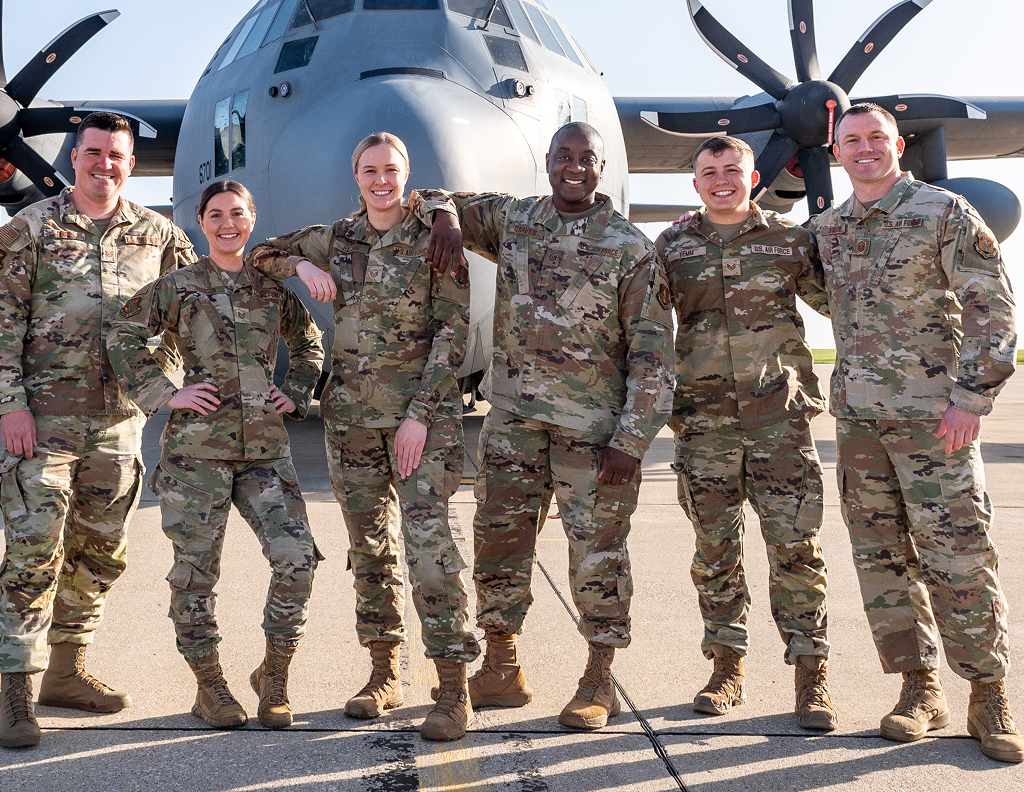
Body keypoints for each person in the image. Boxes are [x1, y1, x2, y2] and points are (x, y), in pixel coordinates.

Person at [412, 122, 675, 731]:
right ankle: (502, 666)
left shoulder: (630, 248)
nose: (575, 166)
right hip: (512, 425)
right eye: (564, 156)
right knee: (499, 545)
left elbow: (653, 355)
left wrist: (632, 441)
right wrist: (448, 218)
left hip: (593, 436)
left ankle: (598, 680)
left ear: (601, 168)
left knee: (597, 554)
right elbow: (425, 194)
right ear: (549, 162)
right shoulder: (514, 220)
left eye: (587, 158)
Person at [809, 102, 1024, 763]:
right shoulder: (827, 229)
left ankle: (989, 694)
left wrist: (972, 398)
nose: (865, 148)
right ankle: (918, 688)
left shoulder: (943, 212)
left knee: (960, 558)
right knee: (883, 564)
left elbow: (994, 307)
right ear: (835, 152)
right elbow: (792, 280)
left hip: (937, 424)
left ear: (897, 144)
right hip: (860, 425)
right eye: (852, 140)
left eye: (876, 137)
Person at [246, 132, 480, 741]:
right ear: (356, 177)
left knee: (430, 550)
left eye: (391, 170)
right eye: (370, 170)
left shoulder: (437, 234)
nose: (381, 181)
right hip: (350, 420)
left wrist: (420, 415)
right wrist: (301, 265)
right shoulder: (338, 238)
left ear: (407, 175)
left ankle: (453, 689)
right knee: (369, 553)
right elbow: (260, 254)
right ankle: (383, 673)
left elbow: (453, 333)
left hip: (418, 424)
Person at [0, 111, 197, 748]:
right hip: (43, 423)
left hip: (120, 425)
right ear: (75, 157)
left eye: (118, 156)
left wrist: (165, 389)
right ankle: (16, 688)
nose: (106, 165)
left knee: (101, 554)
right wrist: (11, 405)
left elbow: (186, 314)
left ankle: (67, 672)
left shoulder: (158, 235)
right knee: (32, 552)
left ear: (132, 164)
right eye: (94, 152)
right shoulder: (33, 229)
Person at [107, 180, 325, 730]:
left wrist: (295, 393)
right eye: (216, 215)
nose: (228, 223)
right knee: (195, 575)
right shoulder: (177, 288)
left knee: (297, 559)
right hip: (195, 455)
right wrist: (164, 393)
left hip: (265, 455)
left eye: (238, 214)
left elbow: (309, 345)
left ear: (252, 219)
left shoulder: (273, 290)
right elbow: (122, 334)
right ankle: (211, 687)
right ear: (201, 223)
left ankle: (273, 679)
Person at [653, 135, 836, 730]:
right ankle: (726, 668)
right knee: (714, 552)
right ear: (696, 183)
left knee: (796, 551)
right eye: (710, 172)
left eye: (733, 169)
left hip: (779, 423)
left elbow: (846, 302)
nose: (722, 179)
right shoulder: (673, 246)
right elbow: (644, 323)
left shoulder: (790, 240)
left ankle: (812, 676)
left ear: (753, 175)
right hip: (703, 425)